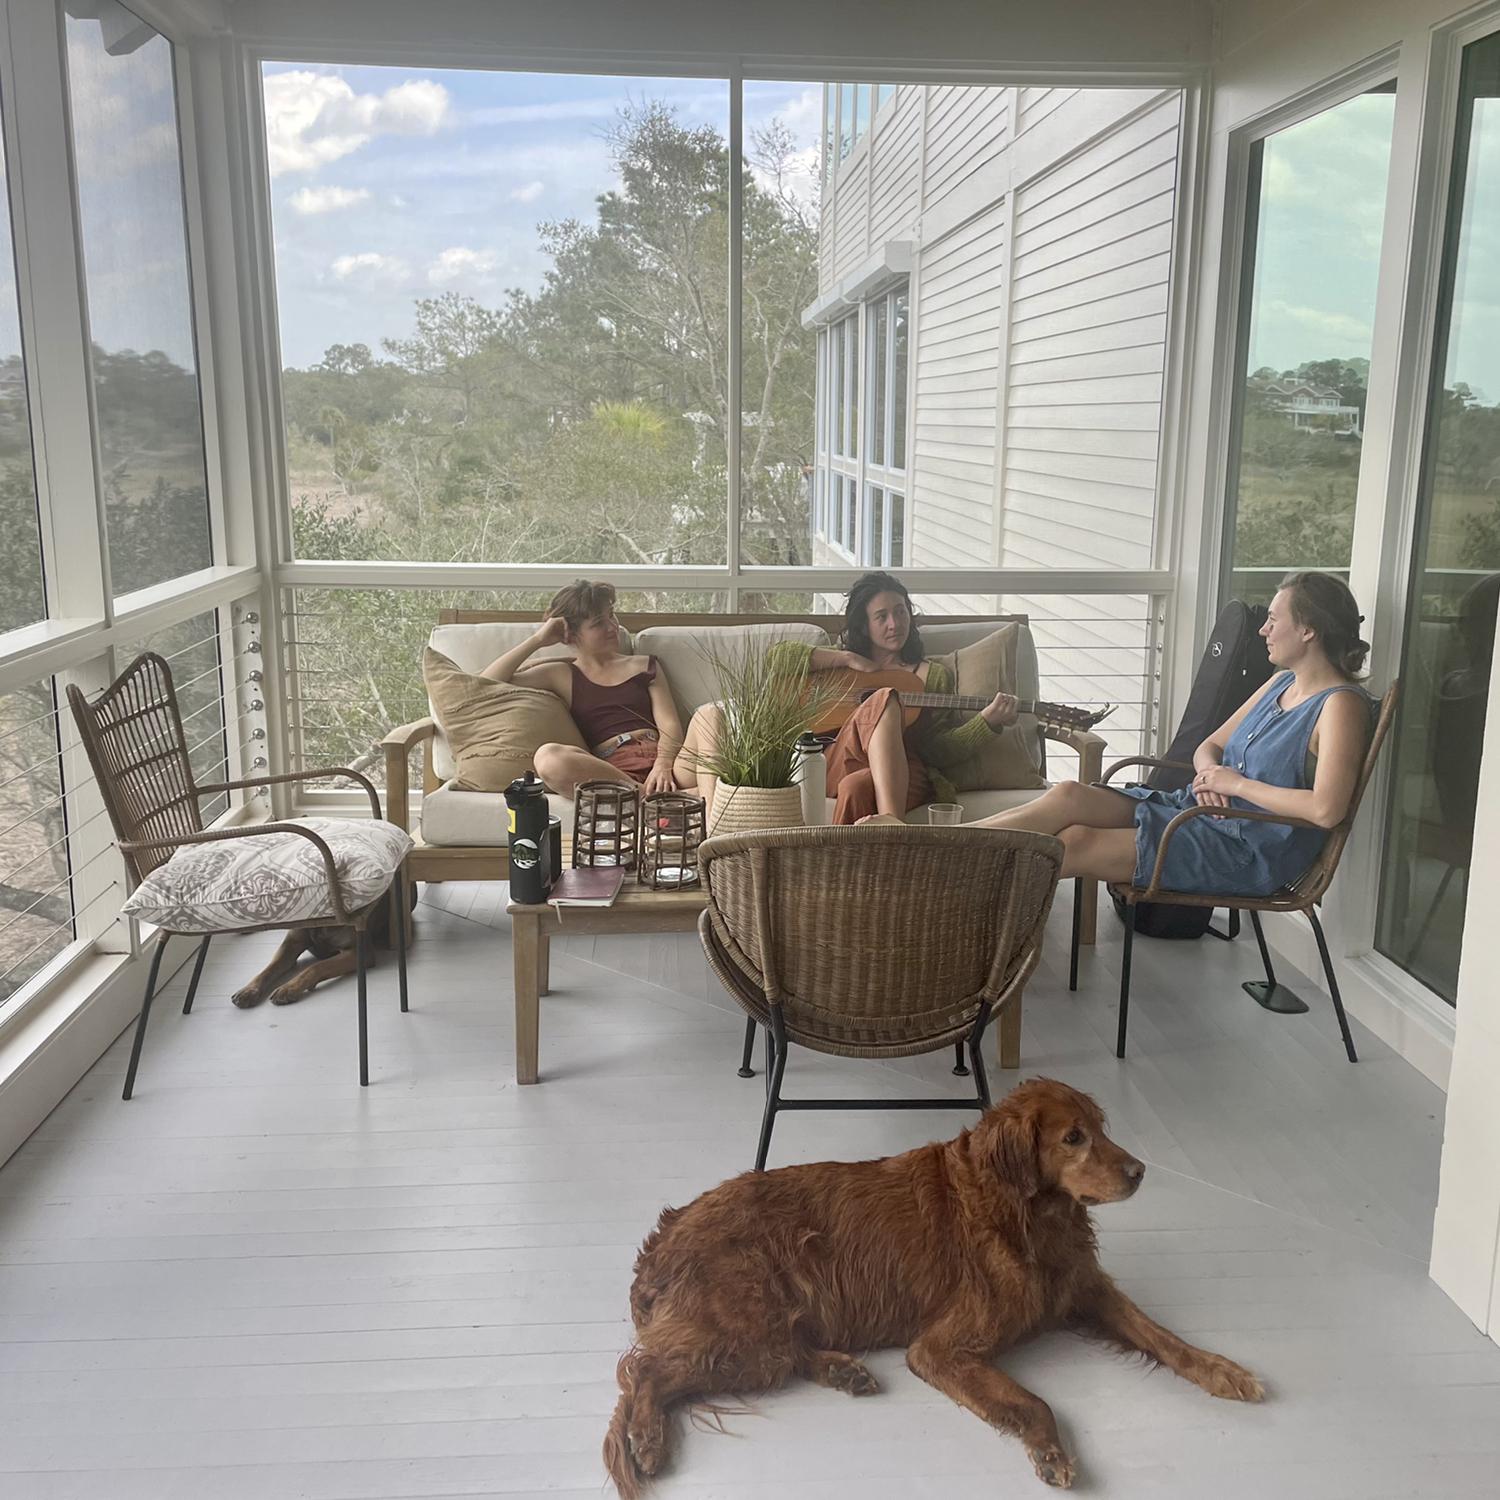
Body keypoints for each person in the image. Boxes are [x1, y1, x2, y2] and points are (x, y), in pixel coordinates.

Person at [971, 571, 1373, 894]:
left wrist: (1235, 786)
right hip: (1195, 810)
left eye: (1272, 620)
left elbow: (1326, 809)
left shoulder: (1339, 705)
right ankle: (943, 846)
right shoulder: (1279, 683)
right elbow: (1208, 746)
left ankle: (954, 886)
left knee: (1076, 842)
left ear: (1308, 630)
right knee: (1068, 794)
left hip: (1246, 851)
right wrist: (1209, 776)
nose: (1263, 630)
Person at [684, 571, 1019, 824]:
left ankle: (841, 879)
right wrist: (845, 659)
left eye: (901, 612)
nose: (894, 623)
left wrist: (986, 723)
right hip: (836, 759)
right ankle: (893, 826)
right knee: (885, 697)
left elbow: (937, 750)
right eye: (882, 616)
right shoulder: (841, 664)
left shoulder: (933, 676)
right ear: (865, 624)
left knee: (857, 788)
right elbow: (777, 659)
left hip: (907, 769)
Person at [481, 580, 694, 798]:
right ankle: (661, 800)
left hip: (668, 765)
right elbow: (485, 684)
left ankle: (661, 800)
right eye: (599, 623)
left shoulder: (645, 665)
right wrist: (538, 640)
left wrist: (663, 764)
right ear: (571, 634)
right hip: (612, 771)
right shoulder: (561, 674)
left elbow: (669, 725)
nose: (613, 627)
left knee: (711, 715)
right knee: (548, 757)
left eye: (612, 615)